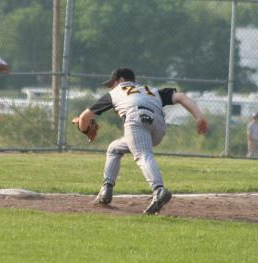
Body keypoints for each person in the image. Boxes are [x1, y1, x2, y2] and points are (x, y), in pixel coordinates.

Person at [73, 67, 209, 215]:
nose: (112, 86)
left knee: (143, 155)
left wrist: (86, 130)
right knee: (114, 148)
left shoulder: (116, 92)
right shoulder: (151, 90)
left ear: (121, 80)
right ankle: (106, 190)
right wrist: (199, 117)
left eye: (112, 83)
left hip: (136, 119)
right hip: (158, 127)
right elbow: (181, 97)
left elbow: (84, 117)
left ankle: (159, 190)